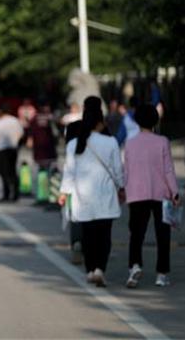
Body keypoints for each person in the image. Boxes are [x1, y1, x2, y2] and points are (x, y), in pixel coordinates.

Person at [59, 96, 124, 287]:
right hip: (105, 196)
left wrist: (64, 192)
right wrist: (122, 188)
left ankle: (89, 270)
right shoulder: (110, 142)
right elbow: (118, 171)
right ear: (101, 118)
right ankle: (99, 269)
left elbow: (68, 171)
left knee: (88, 235)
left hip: (83, 196)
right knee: (104, 235)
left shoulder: (74, 144)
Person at [123, 104, 180, 288]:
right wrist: (175, 192)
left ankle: (134, 268)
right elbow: (168, 170)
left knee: (136, 235)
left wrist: (125, 191)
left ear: (137, 121)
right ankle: (161, 274)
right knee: (163, 235)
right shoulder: (162, 141)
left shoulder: (130, 144)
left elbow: (127, 171)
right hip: (160, 194)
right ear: (155, 120)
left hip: (137, 194)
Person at [0, 105, 24, 202]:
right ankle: (16, 195)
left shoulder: (0, 122)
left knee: (3, 172)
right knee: (12, 171)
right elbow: (21, 133)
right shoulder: (15, 121)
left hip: (2, 149)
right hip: (13, 148)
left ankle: (6, 194)